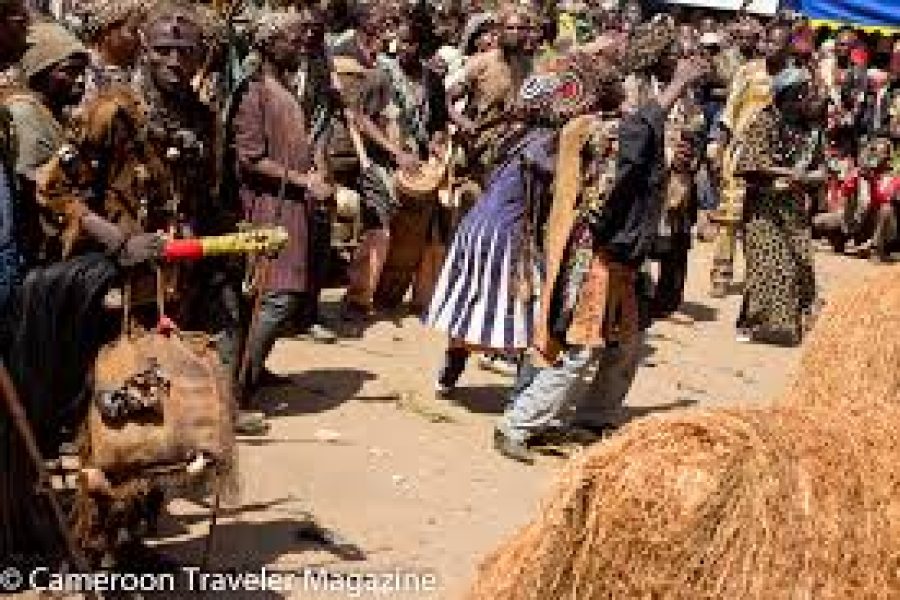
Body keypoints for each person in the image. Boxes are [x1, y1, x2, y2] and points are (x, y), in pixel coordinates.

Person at [494, 50, 709, 463]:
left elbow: (641, 147)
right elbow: (629, 143)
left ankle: (594, 418)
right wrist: (677, 84)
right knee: (578, 346)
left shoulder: (616, 125)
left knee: (627, 343)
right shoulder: (593, 128)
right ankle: (519, 424)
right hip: (594, 254)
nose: (622, 86)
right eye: (613, 81)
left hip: (621, 256)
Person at [233, 12, 333, 396]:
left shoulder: (285, 90)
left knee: (280, 295)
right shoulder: (254, 92)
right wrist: (304, 180)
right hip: (267, 207)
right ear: (268, 44)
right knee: (275, 296)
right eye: (291, 39)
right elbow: (250, 158)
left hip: (292, 205)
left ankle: (254, 369)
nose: (300, 45)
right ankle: (239, 387)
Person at [734, 67, 824, 346]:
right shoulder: (765, 121)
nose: (808, 98)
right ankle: (759, 323)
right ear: (790, 96)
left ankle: (788, 321)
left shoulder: (811, 130)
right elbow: (749, 165)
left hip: (793, 205)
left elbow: (821, 170)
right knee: (770, 263)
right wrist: (787, 174)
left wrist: (811, 177)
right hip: (764, 205)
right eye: (803, 93)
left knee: (800, 263)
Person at [372, 4, 451, 312]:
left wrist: (436, 143)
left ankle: (390, 298)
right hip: (383, 161)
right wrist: (395, 152)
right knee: (383, 231)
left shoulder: (432, 79)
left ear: (422, 46)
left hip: (417, 167)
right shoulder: (383, 75)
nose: (404, 48)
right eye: (400, 42)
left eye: (411, 43)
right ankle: (363, 297)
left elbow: (439, 124)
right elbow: (362, 118)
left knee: (412, 239)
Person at [710, 21, 790, 298]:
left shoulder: (794, 79)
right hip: (741, 154)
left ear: (788, 47)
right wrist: (718, 149)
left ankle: (759, 280)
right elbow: (730, 112)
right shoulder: (747, 72)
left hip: (774, 162)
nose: (769, 47)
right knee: (730, 218)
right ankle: (721, 274)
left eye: (776, 43)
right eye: (766, 41)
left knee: (764, 221)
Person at [78, 0, 146, 100]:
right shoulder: (81, 71)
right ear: (107, 32)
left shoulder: (139, 72)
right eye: (133, 30)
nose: (140, 38)